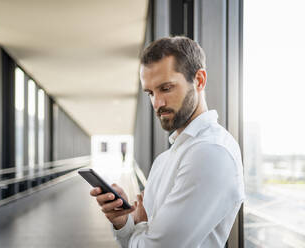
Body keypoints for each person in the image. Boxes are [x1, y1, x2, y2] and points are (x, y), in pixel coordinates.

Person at [90, 36, 245, 248]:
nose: (157, 103)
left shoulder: (211, 152)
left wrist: (142, 223)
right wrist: (123, 221)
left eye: (166, 88)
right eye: (150, 93)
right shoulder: (166, 158)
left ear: (199, 80)